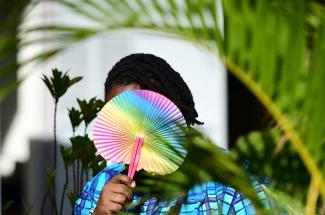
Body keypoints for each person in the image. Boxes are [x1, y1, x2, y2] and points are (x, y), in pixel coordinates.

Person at [74, 53, 271, 215]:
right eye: (118, 121)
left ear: (172, 110)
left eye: (139, 116)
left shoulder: (233, 183)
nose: (132, 133)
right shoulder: (101, 188)